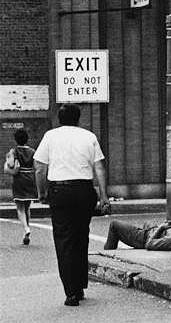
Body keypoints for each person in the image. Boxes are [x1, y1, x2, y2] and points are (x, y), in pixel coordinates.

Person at [34, 104, 110, 307]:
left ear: (59, 118)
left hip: (61, 191)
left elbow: (40, 168)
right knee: (80, 236)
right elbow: (100, 167)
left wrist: (42, 193)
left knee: (64, 240)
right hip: (85, 191)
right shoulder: (89, 136)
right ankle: (80, 284)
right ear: (78, 118)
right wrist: (104, 196)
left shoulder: (50, 136)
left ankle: (71, 292)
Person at [4, 129, 37, 245]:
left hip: (19, 179)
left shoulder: (14, 151)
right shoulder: (33, 151)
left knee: (20, 208)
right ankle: (25, 233)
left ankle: (26, 228)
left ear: (16, 140)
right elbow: (36, 166)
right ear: (27, 139)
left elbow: (11, 164)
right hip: (30, 179)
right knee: (27, 206)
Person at [104, 218, 171, 251]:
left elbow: (149, 244)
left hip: (142, 238)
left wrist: (161, 228)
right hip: (150, 231)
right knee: (148, 222)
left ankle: (107, 253)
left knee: (114, 225)